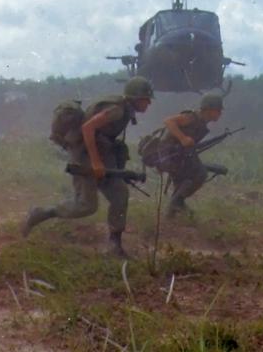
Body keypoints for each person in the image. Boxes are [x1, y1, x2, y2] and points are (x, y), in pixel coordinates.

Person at [22, 76, 154, 257]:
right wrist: (95, 162)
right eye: (147, 100)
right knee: (86, 206)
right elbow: (88, 128)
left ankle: (114, 245)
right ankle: (40, 213)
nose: (149, 104)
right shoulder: (117, 110)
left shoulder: (122, 108)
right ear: (137, 98)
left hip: (100, 153)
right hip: (85, 154)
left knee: (120, 194)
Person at [161, 93, 223, 218]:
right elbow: (168, 121)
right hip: (168, 155)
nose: (220, 113)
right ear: (209, 109)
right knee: (199, 174)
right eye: (218, 110)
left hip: (178, 155)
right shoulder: (192, 117)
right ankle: (176, 203)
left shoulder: (201, 122)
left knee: (185, 180)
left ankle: (171, 213)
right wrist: (183, 138)